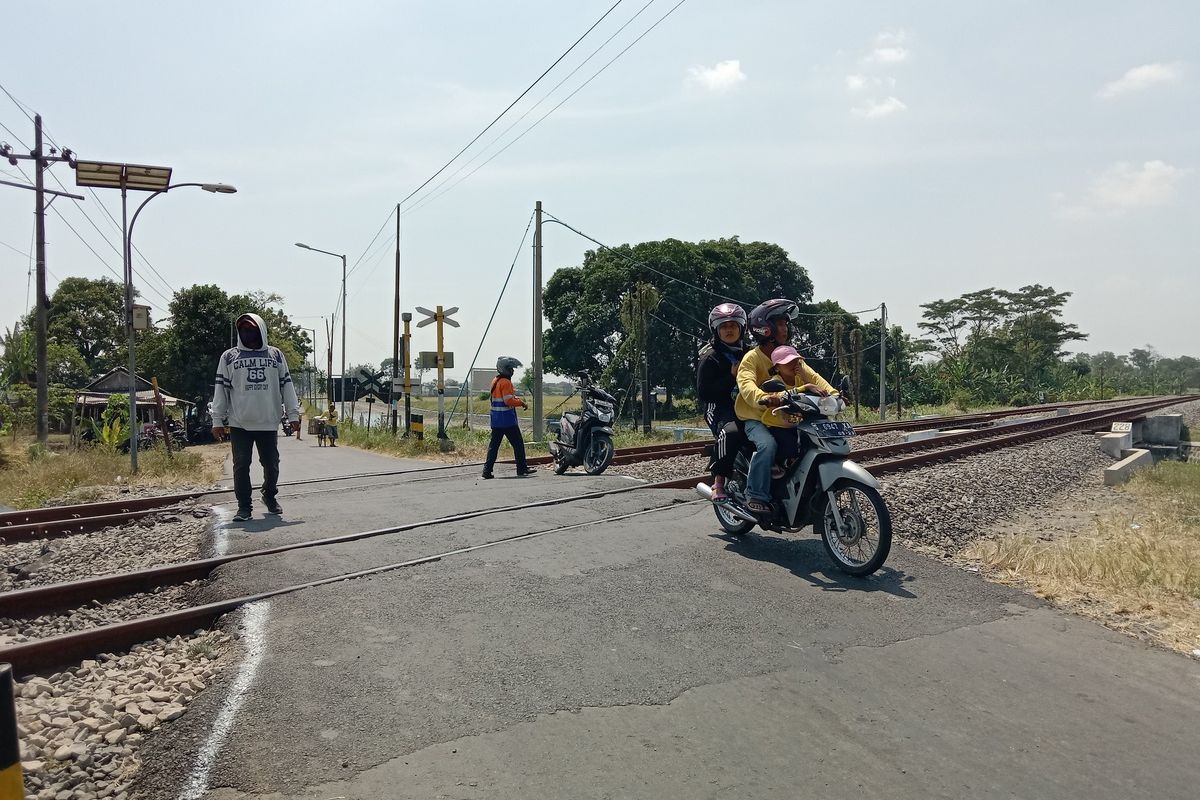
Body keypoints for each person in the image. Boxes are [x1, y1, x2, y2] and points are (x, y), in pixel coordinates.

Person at [734, 299, 833, 515]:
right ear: (765, 327)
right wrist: (765, 397)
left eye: (786, 323)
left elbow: (815, 380)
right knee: (768, 445)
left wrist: (835, 395)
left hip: (784, 415)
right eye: (780, 323)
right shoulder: (752, 358)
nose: (785, 328)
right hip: (756, 417)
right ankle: (756, 494)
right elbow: (747, 386)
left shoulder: (790, 356)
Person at [211, 313, 300, 522]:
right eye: (243, 330)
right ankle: (244, 507)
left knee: (272, 464)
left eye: (251, 329)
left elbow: (287, 386)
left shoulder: (275, 356)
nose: (247, 333)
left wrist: (293, 414)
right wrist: (217, 420)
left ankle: (269, 495)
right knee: (241, 466)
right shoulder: (229, 357)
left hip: (268, 421)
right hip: (239, 422)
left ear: (261, 330)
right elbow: (220, 390)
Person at [695, 302, 747, 502]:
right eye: (724, 326)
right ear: (716, 329)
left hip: (748, 405)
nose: (729, 330)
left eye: (733, 325)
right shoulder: (710, 357)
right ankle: (719, 483)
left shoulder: (749, 353)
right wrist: (731, 377)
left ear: (741, 328)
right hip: (718, 407)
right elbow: (705, 392)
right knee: (731, 432)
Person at [764, 345, 838, 469]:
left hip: (796, 424)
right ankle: (778, 465)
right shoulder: (776, 381)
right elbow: (779, 395)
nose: (793, 364)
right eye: (788, 362)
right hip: (777, 424)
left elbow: (816, 392)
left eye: (796, 361)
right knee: (789, 446)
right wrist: (805, 387)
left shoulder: (800, 379)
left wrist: (805, 379)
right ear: (777, 367)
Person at [482, 356, 537, 479]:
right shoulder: (506, 382)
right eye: (511, 368)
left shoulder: (495, 380)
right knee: (518, 444)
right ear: (505, 369)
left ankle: (487, 471)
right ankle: (522, 469)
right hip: (507, 420)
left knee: (493, 447)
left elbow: (503, 398)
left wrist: (515, 399)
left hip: (496, 420)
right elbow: (508, 401)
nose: (513, 371)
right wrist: (521, 403)